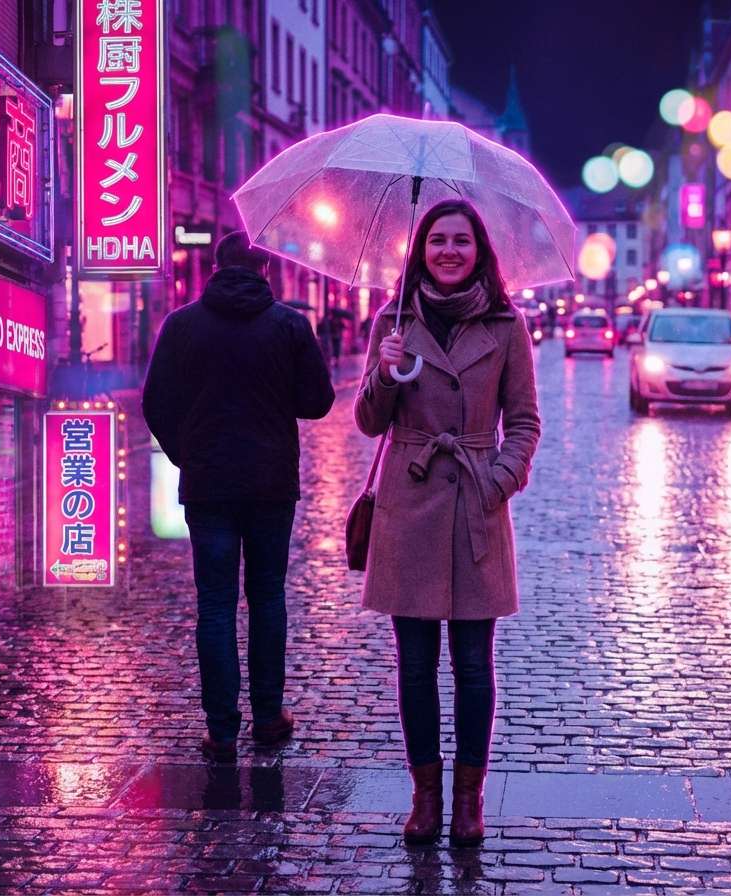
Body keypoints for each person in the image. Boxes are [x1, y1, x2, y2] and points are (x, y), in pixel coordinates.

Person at [355, 199, 541, 847]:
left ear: (479, 249)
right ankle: (425, 797)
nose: (449, 251)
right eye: (438, 241)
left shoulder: (506, 325)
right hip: (409, 507)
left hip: (475, 503)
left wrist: (497, 479)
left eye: (461, 240)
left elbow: (523, 422)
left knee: (472, 664)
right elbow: (368, 421)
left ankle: (469, 800)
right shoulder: (393, 318)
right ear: (421, 249)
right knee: (413, 665)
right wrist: (383, 370)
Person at [142, 231, 335, 762]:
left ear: (215, 267)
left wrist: (190, 454)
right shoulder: (291, 325)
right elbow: (317, 402)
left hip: (208, 485)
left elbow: (155, 403)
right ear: (266, 271)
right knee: (268, 597)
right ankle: (269, 717)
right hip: (271, 484)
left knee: (216, 603)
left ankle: (221, 729)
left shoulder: (181, 325)